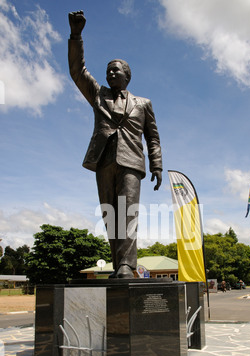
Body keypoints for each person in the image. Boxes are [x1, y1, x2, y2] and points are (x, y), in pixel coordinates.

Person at [68, 11, 163, 279]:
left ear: (127, 76)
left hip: (132, 162)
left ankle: (126, 265)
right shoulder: (98, 95)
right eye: (108, 69)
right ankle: (118, 263)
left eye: (115, 69)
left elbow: (153, 136)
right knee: (110, 214)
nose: (110, 72)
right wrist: (76, 36)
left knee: (128, 212)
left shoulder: (143, 104)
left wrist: (157, 165)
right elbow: (77, 72)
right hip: (103, 161)